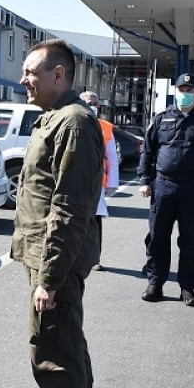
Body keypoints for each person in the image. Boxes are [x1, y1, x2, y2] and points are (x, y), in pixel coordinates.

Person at [11, 39, 103, 388]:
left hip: (57, 262)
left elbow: (69, 208)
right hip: (49, 257)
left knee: (53, 350)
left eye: (31, 72)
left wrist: (49, 277)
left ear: (58, 75)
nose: (23, 80)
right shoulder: (54, 119)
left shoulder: (74, 124)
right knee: (66, 343)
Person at [137, 73, 194, 307]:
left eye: (190, 89)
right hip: (163, 185)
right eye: (182, 89)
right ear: (175, 91)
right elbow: (148, 150)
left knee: (189, 239)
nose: (185, 93)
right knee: (157, 237)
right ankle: (155, 284)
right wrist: (145, 180)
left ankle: (187, 288)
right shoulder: (162, 118)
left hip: (192, 187)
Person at [80, 91, 119, 271]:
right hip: (74, 182)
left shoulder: (105, 127)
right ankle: (75, 257)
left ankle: (94, 258)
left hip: (97, 184)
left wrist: (112, 183)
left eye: (94, 104)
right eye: (88, 103)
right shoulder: (72, 122)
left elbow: (111, 157)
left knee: (94, 222)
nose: (92, 106)